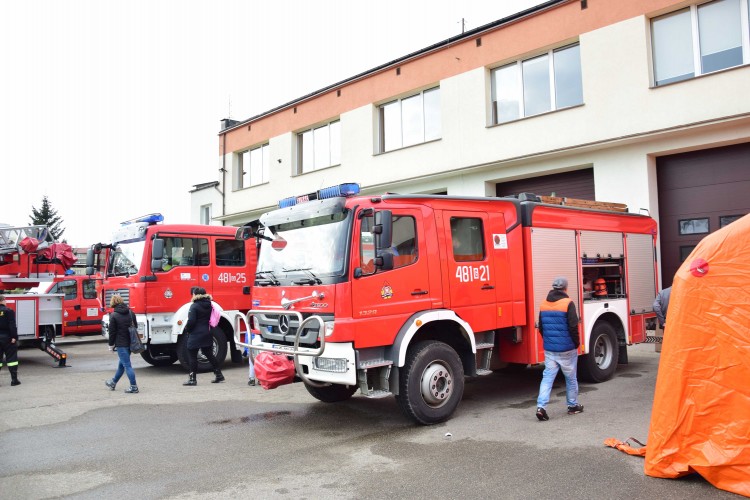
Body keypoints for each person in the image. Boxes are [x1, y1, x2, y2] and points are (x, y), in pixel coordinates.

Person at [535, 277, 584, 421]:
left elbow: (541, 328)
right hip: (567, 348)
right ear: (565, 289)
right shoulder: (568, 303)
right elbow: (573, 326)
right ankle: (572, 406)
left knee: (547, 378)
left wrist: (548, 341)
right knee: (570, 378)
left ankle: (541, 407)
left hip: (550, 349)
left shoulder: (543, 304)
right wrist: (576, 343)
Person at [182, 286, 224, 386]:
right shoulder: (209, 304)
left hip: (196, 334)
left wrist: (187, 329)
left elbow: (191, 321)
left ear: (195, 295)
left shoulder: (194, 306)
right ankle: (219, 374)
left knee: (192, 356)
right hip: (207, 333)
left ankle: (192, 379)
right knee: (209, 354)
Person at [105, 294, 139, 393]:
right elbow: (135, 326)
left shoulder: (114, 315)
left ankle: (134, 387)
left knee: (127, 365)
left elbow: (112, 333)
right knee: (122, 365)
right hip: (130, 343)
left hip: (121, 344)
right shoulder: (130, 313)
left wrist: (111, 345)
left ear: (113, 303)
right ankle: (113, 382)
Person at [0, 295, 20, 386]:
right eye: (5, 300)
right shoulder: (9, 311)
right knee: (12, 359)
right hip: (8, 338)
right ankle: (14, 380)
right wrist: (14, 337)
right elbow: (12, 325)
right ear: (3, 300)